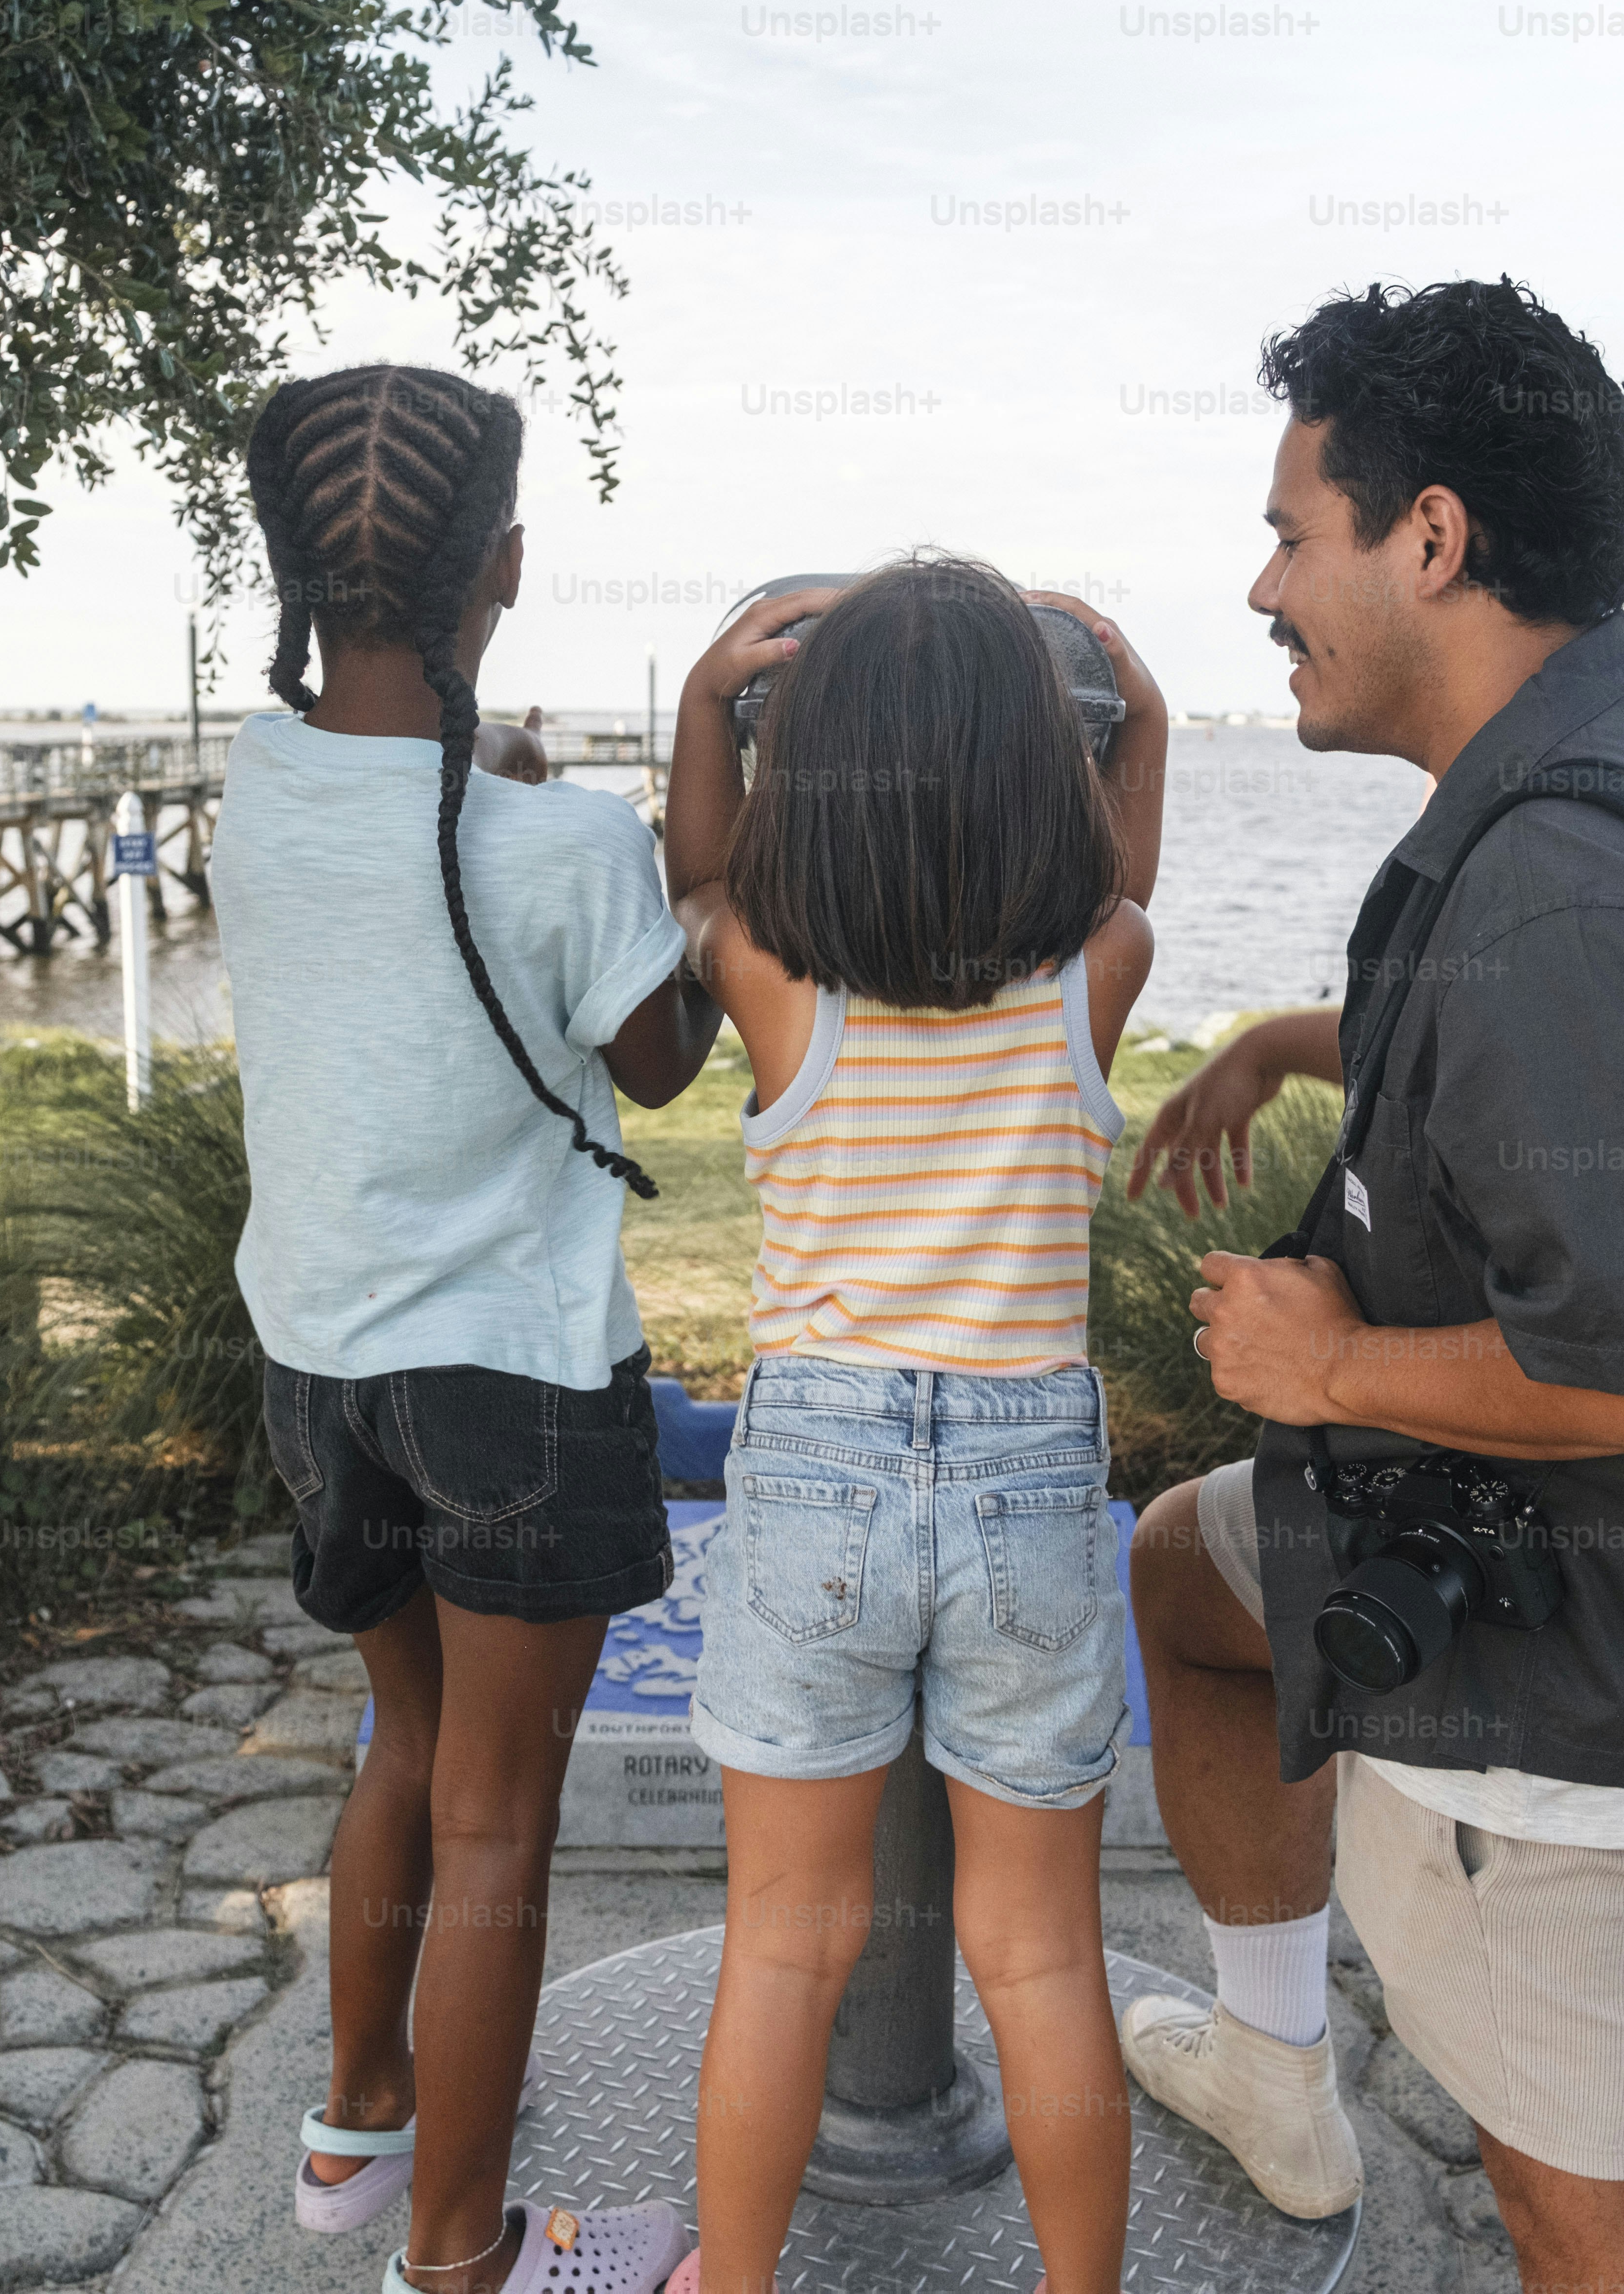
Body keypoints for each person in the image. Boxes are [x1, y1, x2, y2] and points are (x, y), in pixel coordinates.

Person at [1113, 281, 1624, 2294]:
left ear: (1427, 539)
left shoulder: (1563, 879)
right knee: (1184, 1579)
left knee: (1594, 2229)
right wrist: (1289, 1036)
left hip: (1569, 1660)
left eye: (1293, 531)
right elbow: (1599, 1058)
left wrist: (1331, 1356)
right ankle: (1276, 2064)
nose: (1264, 583)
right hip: (1463, 1532)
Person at [214, 363, 722, 2294]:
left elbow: (411, 816)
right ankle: (468, 2251)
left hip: (318, 1365)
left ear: (289, 572)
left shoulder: (254, 790)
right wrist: (699, 789)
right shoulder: (569, 845)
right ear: (503, 561)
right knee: (506, 1814)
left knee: (407, 1750)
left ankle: (358, 2130)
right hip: (512, 1373)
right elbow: (663, 1062)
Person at [654, 556, 1168, 2294]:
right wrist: (1146, 720)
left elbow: (701, 871)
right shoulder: (1099, 968)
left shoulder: (768, 978)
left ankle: (734, 2288)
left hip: (815, 1466)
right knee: (1040, 1954)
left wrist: (702, 703)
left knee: (784, 1945)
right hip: (1027, 1471)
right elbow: (1120, 879)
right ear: (1056, 767)